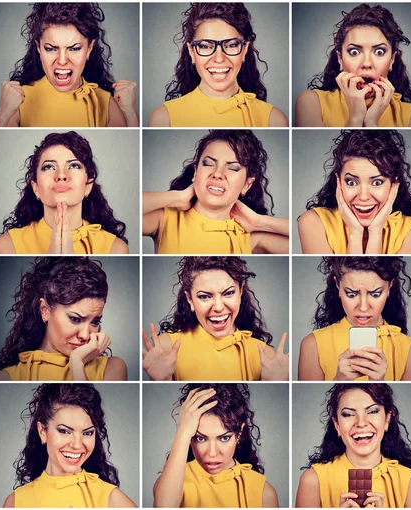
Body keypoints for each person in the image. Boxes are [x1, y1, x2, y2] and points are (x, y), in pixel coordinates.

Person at [142, 257, 288, 381]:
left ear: (240, 292)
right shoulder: (165, 348)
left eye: (228, 293)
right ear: (190, 300)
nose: (218, 307)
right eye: (204, 296)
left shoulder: (267, 357)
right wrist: (162, 381)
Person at [143, 130, 289, 254]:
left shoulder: (250, 236)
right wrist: (178, 197)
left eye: (232, 168)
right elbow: (131, 209)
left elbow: (304, 235)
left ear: (247, 184)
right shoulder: (165, 218)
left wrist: (260, 221)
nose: (218, 173)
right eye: (209, 164)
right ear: (196, 172)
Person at [0, 3, 138, 127]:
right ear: (38, 48)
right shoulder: (19, 102)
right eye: (51, 48)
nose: (62, 60)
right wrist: (3, 112)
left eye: (74, 48)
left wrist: (130, 112)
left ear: (89, 49)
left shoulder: (106, 102)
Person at [148, 3, 287, 127]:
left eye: (231, 45)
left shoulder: (274, 120)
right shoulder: (163, 119)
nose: (219, 58)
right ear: (191, 52)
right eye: (206, 46)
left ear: (244, 50)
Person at [295, 4, 411, 127]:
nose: (366, 63)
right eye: (354, 52)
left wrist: (371, 122)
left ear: (392, 60)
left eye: (379, 51)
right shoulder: (311, 103)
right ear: (340, 59)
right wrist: (356, 117)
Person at [0, 131, 128, 255]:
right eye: (49, 167)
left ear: (88, 185)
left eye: (74, 165)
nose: (61, 175)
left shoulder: (115, 248)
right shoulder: (8, 246)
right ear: (36, 188)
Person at [3, 384, 136, 508]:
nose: (77, 445)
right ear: (43, 431)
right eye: (64, 431)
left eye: (88, 433)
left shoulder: (112, 499)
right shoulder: (15, 502)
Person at [298, 130, 411, 254]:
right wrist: (355, 233)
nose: (363, 196)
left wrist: (376, 232)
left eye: (377, 182)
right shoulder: (314, 222)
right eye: (352, 182)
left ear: (394, 183)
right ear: (339, 181)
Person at [0, 257, 127, 381]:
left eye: (95, 321)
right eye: (75, 319)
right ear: (45, 310)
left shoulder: (112, 368)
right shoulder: (6, 377)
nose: (85, 335)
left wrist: (77, 362)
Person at [296, 383, 411, 508]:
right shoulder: (313, 481)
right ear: (337, 425)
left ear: (387, 419)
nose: (361, 423)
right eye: (348, 414)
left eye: (372, 411)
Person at [298, 257, 411, 381]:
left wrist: (379, 382)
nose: (363, 308)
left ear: (389, 286)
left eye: (375, 294)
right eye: (351, 294)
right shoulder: (312, 345)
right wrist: (339, 379)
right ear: (338, 285)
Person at [154, 384, 279, 507]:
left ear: (239, 433)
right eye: (200, 438)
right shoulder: (173, 484)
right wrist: (183, 431)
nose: (212, 453)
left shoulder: (264, 493)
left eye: (224, 438)